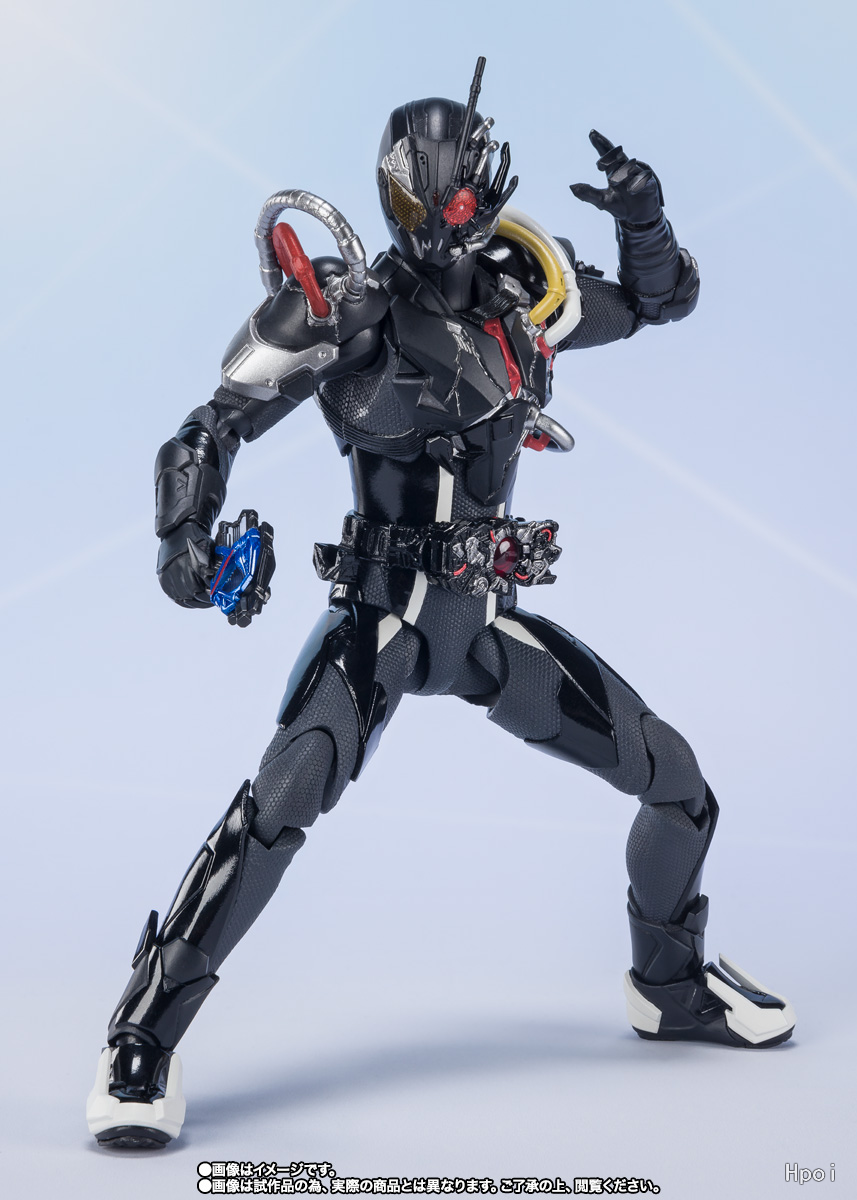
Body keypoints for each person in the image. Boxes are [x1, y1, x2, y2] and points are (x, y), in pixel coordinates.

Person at [86, 58, 795, 1151]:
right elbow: (206, 430)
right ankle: (140, 1036)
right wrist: (185, 538)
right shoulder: (350, 308)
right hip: (379, 617)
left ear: (485, 189)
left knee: (678, 787)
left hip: (480, 623)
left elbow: (658, 301)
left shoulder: (522, 296)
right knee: (276, 807)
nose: (435, 220)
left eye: (452, 198)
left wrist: (644, 220)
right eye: (414, 199)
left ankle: (669, 985)